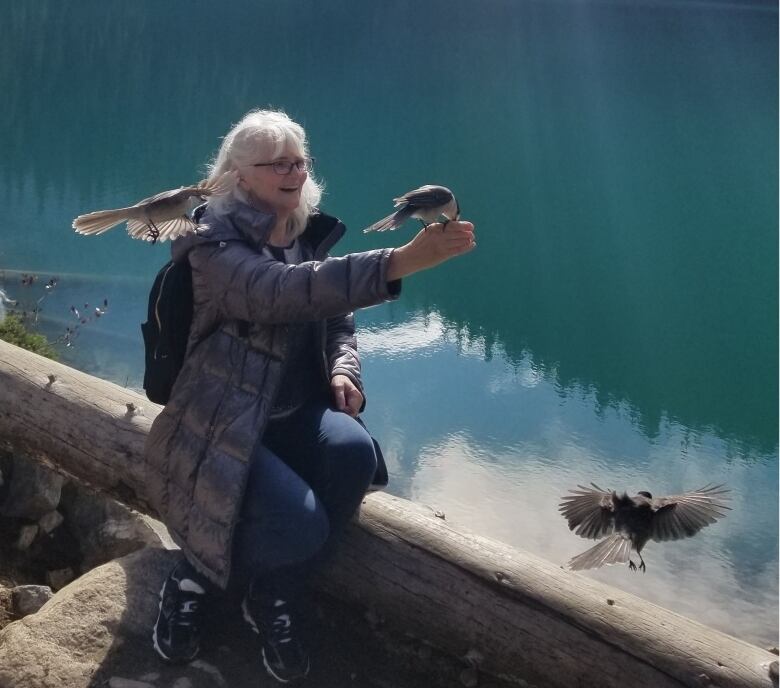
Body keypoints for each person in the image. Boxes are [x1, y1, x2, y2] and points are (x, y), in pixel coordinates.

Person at [143, 109, 475, 683]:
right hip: (223, 419)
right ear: (237, 175)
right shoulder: (212, 244)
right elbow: (278, 293)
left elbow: (334, 315)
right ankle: (194, 576)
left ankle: (274, 593)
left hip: (296, 410)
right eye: (276, 163)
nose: (293, 171)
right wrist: (399, 263)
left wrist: (345, 372)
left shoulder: (306, 230)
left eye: (298, 160)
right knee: (301, 526)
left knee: (354, 455)